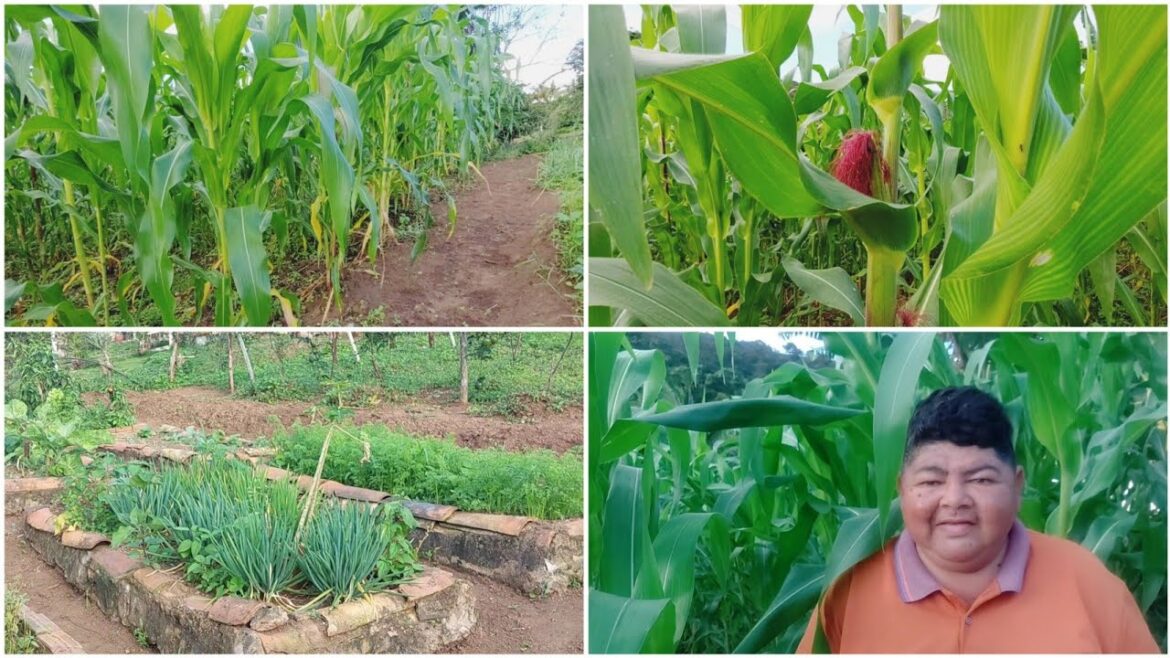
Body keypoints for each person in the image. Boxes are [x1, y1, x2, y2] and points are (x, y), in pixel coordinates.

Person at [797, 386, 1159, 653]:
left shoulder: (1089, 583)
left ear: (1017, 486)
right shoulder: (848, 593)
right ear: (902, 488)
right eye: (932, 481)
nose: (955, 500)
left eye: (981, 479)